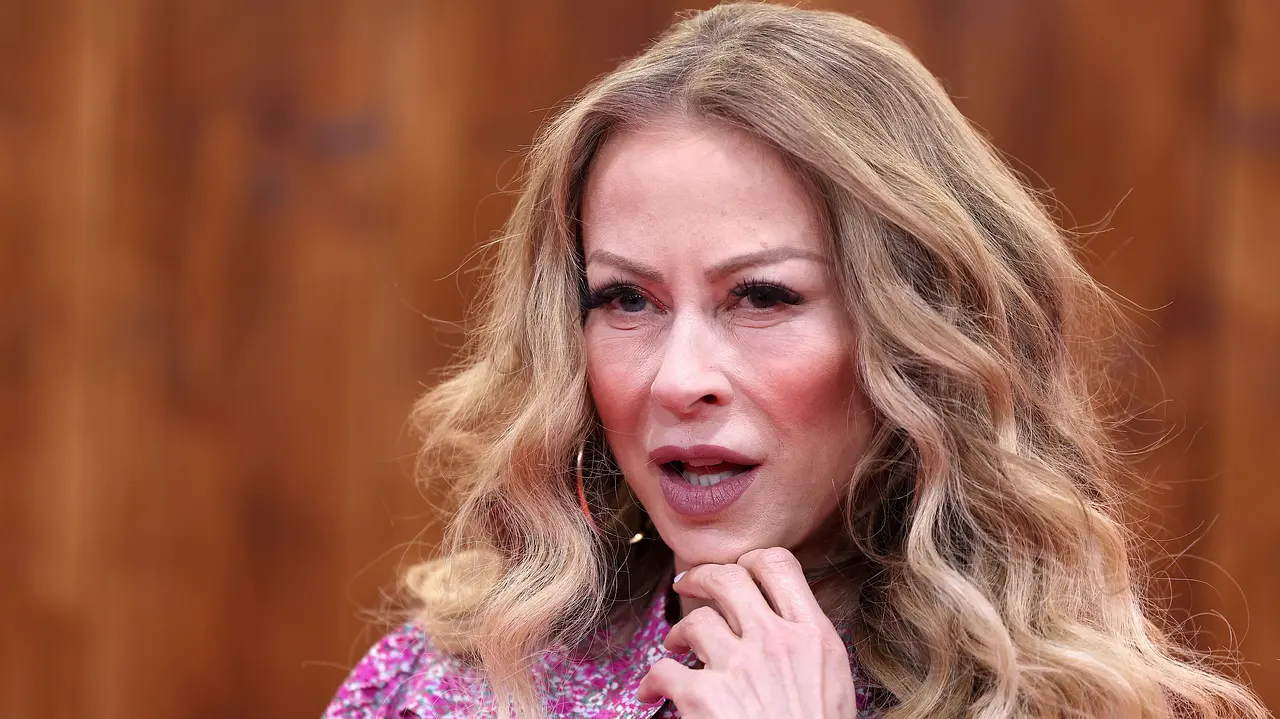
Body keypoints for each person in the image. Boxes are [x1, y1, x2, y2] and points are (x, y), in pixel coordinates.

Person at [323, 3, 1269, 718]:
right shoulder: (440, 686)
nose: (677, 377)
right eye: (626, 299)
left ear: (917, 333)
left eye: (762, 296)